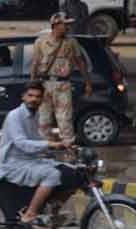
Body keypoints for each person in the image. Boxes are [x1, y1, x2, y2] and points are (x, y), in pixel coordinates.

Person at [0, 81, 75, 229]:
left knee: (71, 172)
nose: (34, 99)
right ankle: (30, 214)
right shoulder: (15, 115)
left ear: (42, 99)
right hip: (14, 164)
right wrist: (50, 144)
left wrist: (60, 145)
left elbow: (36, 140)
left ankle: (52, 211)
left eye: (38, 96)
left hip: (29, 160)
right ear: (23, 97)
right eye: (30, 95)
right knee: (52, 174)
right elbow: (22, 144)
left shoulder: (34, 115)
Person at [30, 12, 93, 144]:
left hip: (63, 85)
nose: (68, 27)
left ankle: (69, 148)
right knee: (43, 121)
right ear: (56, 25)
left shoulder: (71, 42)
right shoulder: (41, 42)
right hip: (44, 84)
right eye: (66, 24)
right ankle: (45, 149)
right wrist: (32, 84)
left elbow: (80, 62)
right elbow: (35, 63)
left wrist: (88, 83)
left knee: (65, 120)